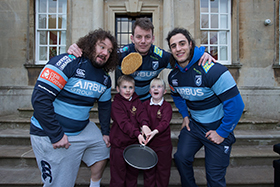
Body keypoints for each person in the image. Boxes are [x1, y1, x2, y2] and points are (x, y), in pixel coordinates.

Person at [30, 29, 118, 187]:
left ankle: (95, 184)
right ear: (91, 45)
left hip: (82, 129)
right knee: (60, 184)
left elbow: (105, 106)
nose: (105, 53)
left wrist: (105, 132)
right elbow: (40, 99)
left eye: (109, 51)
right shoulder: (67, 61)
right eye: (102, 46)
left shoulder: (105, 79)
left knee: (103, 149)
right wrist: (56, 134)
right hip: (49, 132)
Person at [67, 17, 216, 101]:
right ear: (132, 38)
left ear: (153, 38)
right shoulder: (120, 54)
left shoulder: (161, 57)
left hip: (148, 100)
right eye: (139, 37)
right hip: (126, 98)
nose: (143, 41)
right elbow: (97, 56)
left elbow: (183, 56)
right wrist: (78, 48)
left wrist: (201, 54)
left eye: (147, 37)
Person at [166, 28, 245, 187]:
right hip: (195, 126)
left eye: (182, 43)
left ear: (190, 44)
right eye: (173, 46)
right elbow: (177, 95)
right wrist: (185, 115)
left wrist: (222, 132)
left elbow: (237, 105)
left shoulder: (214, 69)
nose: (178, 49)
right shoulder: (173, 77)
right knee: (181, 158)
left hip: (218, 127)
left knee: (214, 178)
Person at [109, 75, 151, 187]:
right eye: (124, 87)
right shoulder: (115, 104)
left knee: (132, 176)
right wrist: (137, 133)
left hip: (134, 146)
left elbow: (142, 114)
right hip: (119, 146)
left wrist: (145, 125)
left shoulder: (137, 102)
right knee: (118, 178)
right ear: (118, 89)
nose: (128, 90)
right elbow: (124, 123)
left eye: (131, 87)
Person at [142, 78, 173, 187]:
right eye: (153, 87)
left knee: (163, 171)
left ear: (164, 91)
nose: (156, 89)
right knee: (149, 171)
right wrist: (144, 126)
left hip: (163, 145)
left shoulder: (167, 107)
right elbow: (143, 118)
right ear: (149, 91)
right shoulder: (145, 105)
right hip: (149, 145)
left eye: (159, 87)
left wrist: (154, 132)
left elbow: (165, 122)